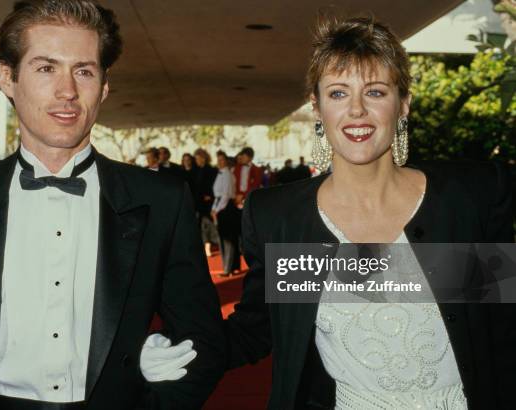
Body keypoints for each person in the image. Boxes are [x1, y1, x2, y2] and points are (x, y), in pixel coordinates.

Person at [146, 15, 515, 410]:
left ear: (403, 103)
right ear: (317, 107)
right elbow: (257, 330)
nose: (356, 110)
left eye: (375, 92)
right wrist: (174, 349)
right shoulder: (283, 218)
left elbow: (504, 328)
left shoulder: (469, 197)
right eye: (338, 93)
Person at [0, 1, 225, 409]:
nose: (67, 91)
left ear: (104, 86)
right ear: (8, 77)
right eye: (45, 68)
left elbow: (204, 340)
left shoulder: (161, 200)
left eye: (84, 71)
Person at [211, 151, 238, 276]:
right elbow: (218, 196)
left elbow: (225, 195)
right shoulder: (221, 173)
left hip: (226, 208)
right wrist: (214, 208)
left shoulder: (227, 174)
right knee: (225, 238)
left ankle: (228, 268)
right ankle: (231, 267)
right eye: (218, 160)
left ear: (226, 161)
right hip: (221, 206)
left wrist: (217, 210)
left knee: (227, 240)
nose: (219, 162)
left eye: (222, 160)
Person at [192, 148, 218, 257]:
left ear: (203, 158)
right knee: (201, 225)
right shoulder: (196, 170)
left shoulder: (211, 170)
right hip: (198, 202)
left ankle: (208, 246)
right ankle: (205, 245)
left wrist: (210, 195)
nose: (196, 160)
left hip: (208, 202)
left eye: (198, 158)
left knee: (207, 224)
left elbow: (214, 185)